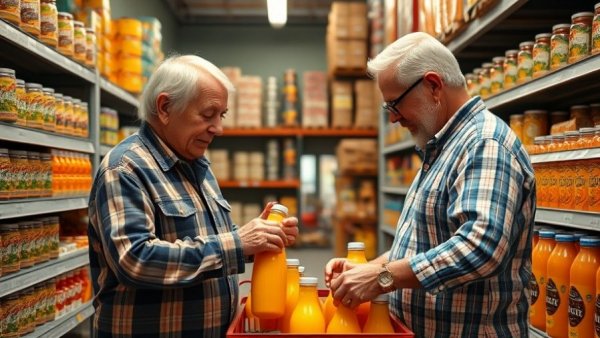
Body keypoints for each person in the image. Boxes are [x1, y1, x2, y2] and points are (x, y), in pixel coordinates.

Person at [325, 32, 535, 337]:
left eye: (395, 104)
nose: (394, 119)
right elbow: (426, 245)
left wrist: (384, 276)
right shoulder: (441, 147)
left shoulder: (484, 144)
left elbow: (480, 248)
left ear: (433, 86)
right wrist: (367, 270)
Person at [88, 55, 299, 338]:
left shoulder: (196, 164)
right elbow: (135, 260)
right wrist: (237, 242)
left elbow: (203, 239)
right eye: (207, 114)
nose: (218, 128)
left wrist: (256, 241)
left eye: (221, 115)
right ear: (165, 107)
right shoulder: (125, 168)